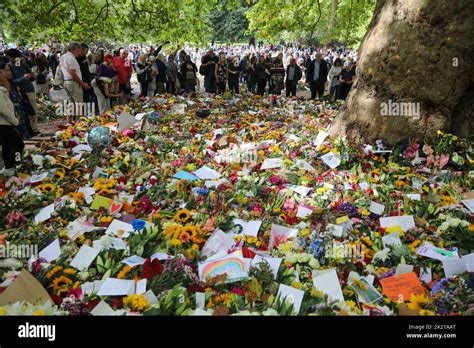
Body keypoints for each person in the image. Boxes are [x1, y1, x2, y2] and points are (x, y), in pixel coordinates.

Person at [6, 48, 40, 135]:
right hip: (19, 92)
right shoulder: (8, 67)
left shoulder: (23, 64)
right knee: (24, 112)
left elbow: (32, 76)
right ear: (10, 57)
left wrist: (31, 75)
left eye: (18, 57)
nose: (17, 59)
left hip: (29, 89)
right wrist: (23, 78)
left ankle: (35, 129)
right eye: (15, 58)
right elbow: (11, 81)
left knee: (33, 110)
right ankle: (29, 130)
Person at [0, 65, 24, 177]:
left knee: (8, 145)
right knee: (19, 144)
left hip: (6, 123)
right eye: (2, 73)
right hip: (5, 123)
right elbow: (3, 110)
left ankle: (12, 166)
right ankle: (11, 166)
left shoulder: (4, 89)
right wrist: (15, 121)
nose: (4, 75)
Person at [59, 42, 90, 123]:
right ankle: (79, 124)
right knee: (79, 104)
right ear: (72, 49)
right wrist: (82, 84)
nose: (79, 53)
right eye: (78, 50)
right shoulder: (71, 58)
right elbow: (73, 73)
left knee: (71, 103)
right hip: (73, 83)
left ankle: (69, 123)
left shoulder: (63, 57)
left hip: (67, 82)